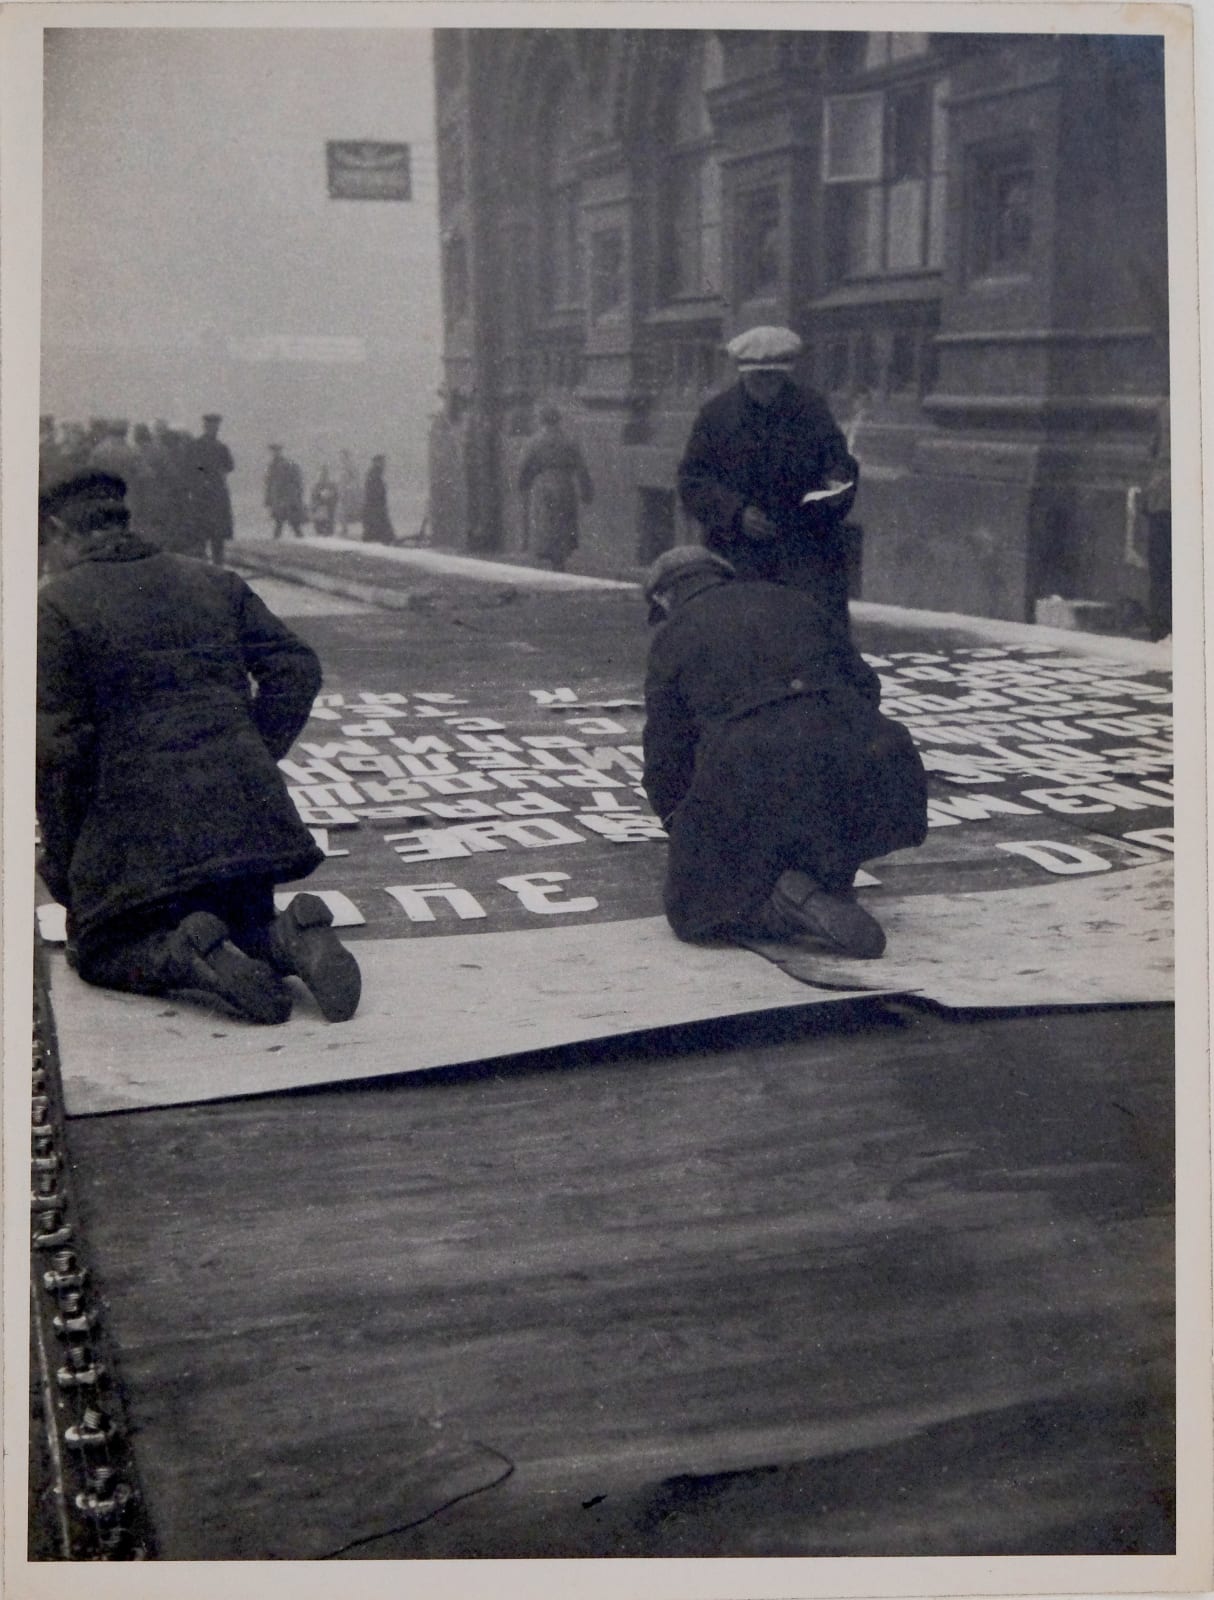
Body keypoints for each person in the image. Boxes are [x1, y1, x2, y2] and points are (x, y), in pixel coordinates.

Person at [36, 470, 361, 1026]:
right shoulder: (213, 580)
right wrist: (256, 749)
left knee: (98, 950)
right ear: (122, 521)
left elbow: (56, 754)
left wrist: (67, 867)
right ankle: (287, 940)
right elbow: (295, 666)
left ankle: (190, 957)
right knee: (237, 919)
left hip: (137, 834)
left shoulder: (57, 606)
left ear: (61, 531)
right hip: (248, 825)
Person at [641, 546, 928, 957]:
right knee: (807, 781)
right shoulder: (791, 598)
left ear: (663, 597)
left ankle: (781, 904)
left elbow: (666, 758)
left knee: (692, 907)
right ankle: (822, 876)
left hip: (756, 762)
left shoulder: (673, 635)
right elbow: (867, 687)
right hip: (877, 762)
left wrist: (690, 834)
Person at [677, 325, 859, 634]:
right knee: (743, 642)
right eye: (757, 377)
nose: (766, 385)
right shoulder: (715, 416)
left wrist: (827, 496)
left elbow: (840, 467)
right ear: (743, 374)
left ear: (785, 374)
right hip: (739, 554)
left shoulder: (811, 410)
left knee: (811, 640)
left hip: (805, 552)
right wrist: (735, 512)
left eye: (773, 377)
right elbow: (692, 480)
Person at [516, 406, 593, 571]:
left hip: (543, 484)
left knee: (545, 521)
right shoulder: (569, 440)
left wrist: (523, 484)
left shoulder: (534, 441)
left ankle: (547, 556)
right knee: (563, 522)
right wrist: (586, 490)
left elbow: (524, 466)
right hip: (565, 483)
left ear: (541, 420)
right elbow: (581, 467)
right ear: (558, 419)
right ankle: (559, 559)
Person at [187, 413, 237, 566]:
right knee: (210, 534)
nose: (214, 429)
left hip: (207, 494)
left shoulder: (202, 446)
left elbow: (230, 466)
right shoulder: (216, 447)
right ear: (207, 427)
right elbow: (229, 467)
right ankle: (212, 566)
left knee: (211, 535)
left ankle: (213, 566)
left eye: (215, 427)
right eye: (212, 426)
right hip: (210, 494)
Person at [1143, 396, 1171, 641]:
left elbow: (1152, 449)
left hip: (1160, 495)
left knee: (1161, 569)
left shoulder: (1165, 406)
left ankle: (1160, 629)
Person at [265, 444, 307, 539]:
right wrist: (269, 499)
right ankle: (278, 539)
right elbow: (270, 484)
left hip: (285, 498)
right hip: (279, 498)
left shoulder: (286, 465)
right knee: (281, 522)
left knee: (290, 522)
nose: (275, 453)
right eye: (274, 451)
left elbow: (289, 483)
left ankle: (299, 538)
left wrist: (288, 497)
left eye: (276, 451)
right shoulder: (272, 466)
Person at [361, 453, 395, 544]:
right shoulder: (375, 474)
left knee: (374, 533)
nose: (385, 465)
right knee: (382, 533)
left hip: (374, 508)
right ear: (377, 463)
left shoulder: (374, 474)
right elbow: (375, 492)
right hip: (375, 509)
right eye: (382, 462)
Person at [309, 465, 339, 538]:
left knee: (326, 527)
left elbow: (336, 496)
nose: (323, 475)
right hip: (322, 509)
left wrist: (328, 497)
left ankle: (326, 536)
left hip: (327, 509)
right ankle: (324, 536)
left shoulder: (329, 485)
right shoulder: (318, 485)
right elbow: (313, 496)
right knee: (322, 526)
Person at [337, 449, 362, 536]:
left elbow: (355, 478)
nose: (341, 458)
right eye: (340, 456)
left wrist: (350, 487)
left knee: (346, 509)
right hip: (343, 490)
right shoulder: (342, 467)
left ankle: (345, 528)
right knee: (342, 510)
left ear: (346, 456)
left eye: (342, 456)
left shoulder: (350, 466)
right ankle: (344, 528)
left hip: (348, 492)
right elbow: (341, 480)